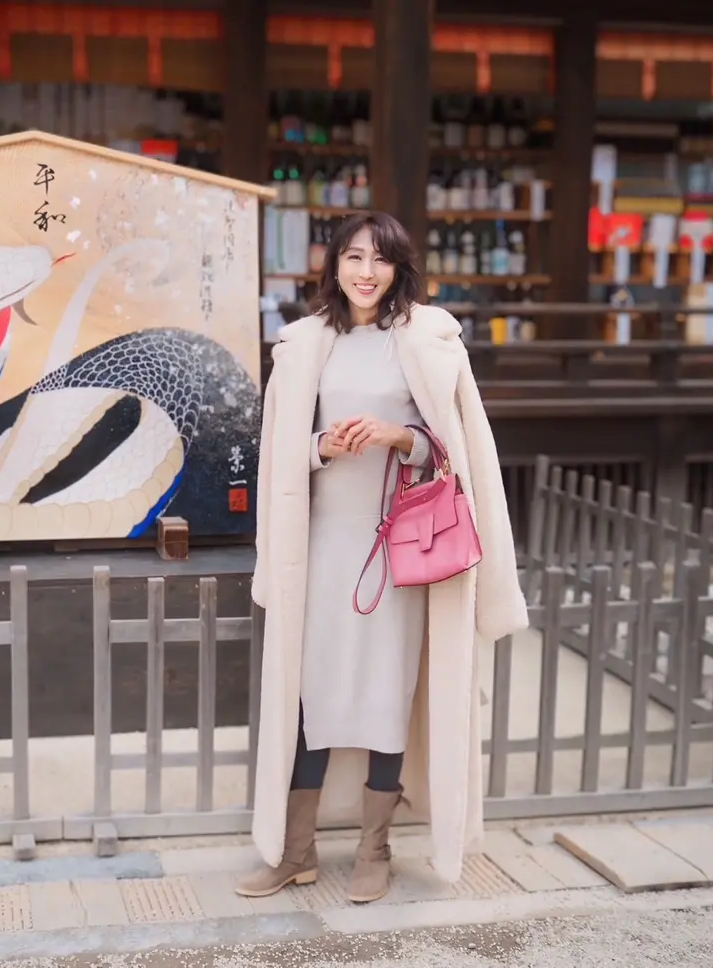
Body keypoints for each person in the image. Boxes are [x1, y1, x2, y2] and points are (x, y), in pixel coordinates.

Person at [239, 212, 528, 904]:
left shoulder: (428, 342)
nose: (366, 272)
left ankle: (376, 848)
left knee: (387, 694)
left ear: (400, 270)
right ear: (333, 265)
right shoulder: (305, 344)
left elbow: (453, 451)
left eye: (381, 260)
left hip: (399, 553)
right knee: (309, 697)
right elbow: (281, 452)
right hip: (321, 551)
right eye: (354, 257)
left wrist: (402, 437)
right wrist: (323, 448)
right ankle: (296, 850)